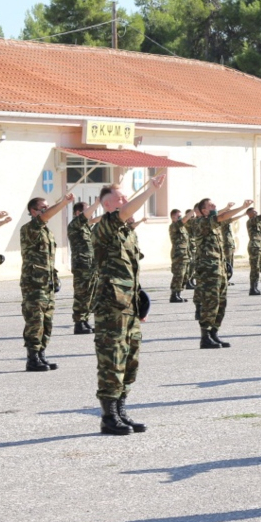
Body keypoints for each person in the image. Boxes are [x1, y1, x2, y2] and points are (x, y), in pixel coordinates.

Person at [93, 175, 166, 435]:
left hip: (129, 306)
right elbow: (125, 212)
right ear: (106, 205)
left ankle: (121, 410)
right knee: (112, 359)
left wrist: (140, 301)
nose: (125, 201)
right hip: (110, 308)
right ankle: (108, 416)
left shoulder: (128, 233)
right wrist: (151, 191)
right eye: (120, 198)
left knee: (130, 360)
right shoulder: (103, 227)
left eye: (125, 197)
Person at [21, 195, 72, 371]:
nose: (46, 209)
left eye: (47, 206)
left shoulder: (46, 232)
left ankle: (42, 354)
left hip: (47, 284)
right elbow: (45, 217)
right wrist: (63, 203)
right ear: (33, 211)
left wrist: (54, 278)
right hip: (33, 284)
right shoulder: (30, 228)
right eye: (42, 207)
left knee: (47, 322)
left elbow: (48, 260)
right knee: (35, 321)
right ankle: (32, 358)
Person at [195, 198, 254, 349]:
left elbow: (224, 218)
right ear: (203, 211)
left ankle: (214, 333)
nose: (214, 206)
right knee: (210, 303)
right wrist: (242, 206)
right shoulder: (202, 222)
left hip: (219, 270)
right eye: (210, 205)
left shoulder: (215, 224)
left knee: (221, 303)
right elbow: (221, 217)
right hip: (208, 271)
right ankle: (205, 336)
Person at [67, 200, 103, 334]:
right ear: (78, 213)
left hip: (91, 266)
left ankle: (84, 321)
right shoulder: (74, 225)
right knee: (81, 295)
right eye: (88, 210)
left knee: (89, 295)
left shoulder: (86, 226)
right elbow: (89, 218)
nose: (91, 213)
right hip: (82, 266)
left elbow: (95, 220)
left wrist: (113, 213)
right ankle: (78, 323)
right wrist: (98, 202)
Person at [169, 209, 193, 302]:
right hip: (178, 255)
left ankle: (178, 294)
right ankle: (174, 295)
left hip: (185, 254)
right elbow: (184, 220)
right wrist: (191, 212)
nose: (180, 218)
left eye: (180, 216)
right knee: (178, 275)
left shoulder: (182, 227)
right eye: (178, 216)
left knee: (185, 275)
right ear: (173, 217)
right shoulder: (174, 226)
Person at [246, 207, 261, 296]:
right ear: (249, 214)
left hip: (259, 246)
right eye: (253, 211)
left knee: (259, 268)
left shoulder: (258, 223)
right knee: (255, 268)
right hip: (254, 247)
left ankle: (255, 287)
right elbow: (260, 217)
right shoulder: (250, 221)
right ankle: (253, 288)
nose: (255, 212)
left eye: (256, 211)